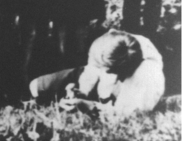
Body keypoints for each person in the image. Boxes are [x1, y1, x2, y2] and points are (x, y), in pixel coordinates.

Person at [29, 29, 165, 116]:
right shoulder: (116, 40)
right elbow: (91, 67)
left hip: (113, 89)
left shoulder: (146, 77)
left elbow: (126, 114)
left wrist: (91, 106)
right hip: (103, 75)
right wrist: (82, 92)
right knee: (36, 86)